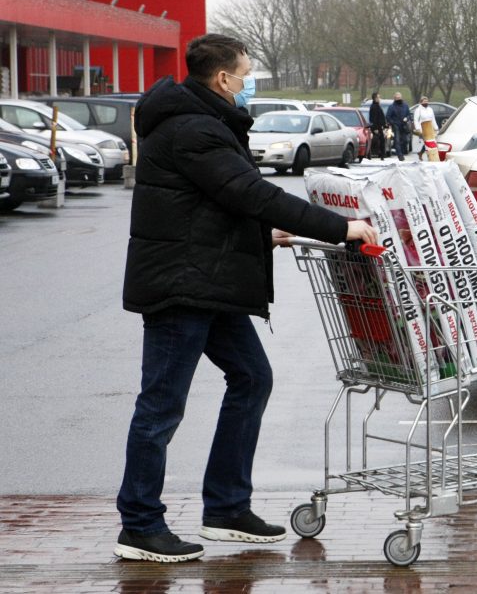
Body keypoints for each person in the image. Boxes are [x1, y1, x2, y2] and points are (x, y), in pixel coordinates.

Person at [115, 33, 377, 563]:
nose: (249, 82)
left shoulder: (202, 123)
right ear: (223, 79)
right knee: (161, 405)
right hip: (182, 286)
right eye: (246, 73)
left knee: (253, 377)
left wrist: (266, 235)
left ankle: (227, 507)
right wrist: (341, 227)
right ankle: (140, 524)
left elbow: (214, 206)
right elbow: (252, 194)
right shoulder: (195, 130)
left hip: (208, 282)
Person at [385, 92, 411, 161]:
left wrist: (407, 118)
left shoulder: (405, 105)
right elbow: (388, 117)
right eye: (397, 98)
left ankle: (401, 151)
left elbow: (409, 115)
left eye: (400, 97)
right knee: (397, 141)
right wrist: (393, 123)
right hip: (396, 125)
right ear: (394, 98)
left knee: (405, 140)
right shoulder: (391, 107)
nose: (399, 99)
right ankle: (400, 156)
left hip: (404, 125)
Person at [412, 96, 438, 161]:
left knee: (431, 142)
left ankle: (421, 153)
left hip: (430, 128)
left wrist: (436, 127)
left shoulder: (430, 109)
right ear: (421, 102)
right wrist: (418, 129)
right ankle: (428, 155)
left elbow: (433, 119)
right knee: (427, 142)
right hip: (423, 128)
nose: (426, 102)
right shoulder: (418, 110)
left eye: (427, 101)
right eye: (424, 101)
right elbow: (416, 120)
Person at [368, 92, 387, 159]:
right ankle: (379, 154)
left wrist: (385, 125)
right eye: (378, 97)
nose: (380, 99)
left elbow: (381, 117)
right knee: (379, 140)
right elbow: (373, 118)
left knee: (382, 140)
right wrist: (375, 128)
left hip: (379, 126)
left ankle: (382, 155)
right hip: (377, 127)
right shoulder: (374, 107)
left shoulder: (377, 105)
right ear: (375, 98)